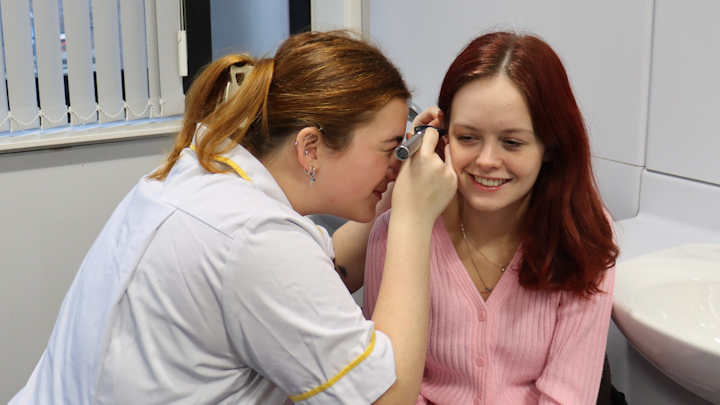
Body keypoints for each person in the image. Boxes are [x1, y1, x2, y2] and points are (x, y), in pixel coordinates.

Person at [10, 31, 456, 404]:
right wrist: (414, 220)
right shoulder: (254, 236)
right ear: (310, 148)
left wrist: (391, 203)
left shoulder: (205, 176)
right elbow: (387, 398)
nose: (398, 166)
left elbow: (312, 279)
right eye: (390, 148)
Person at [363, 31, 619, 404]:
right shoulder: (395, 237)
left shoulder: (584, 237)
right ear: (442, 134)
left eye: (512, 142)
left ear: (550, 147)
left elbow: (568, 394)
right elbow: (390, 386)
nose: (486, 160)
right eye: (468, 138)